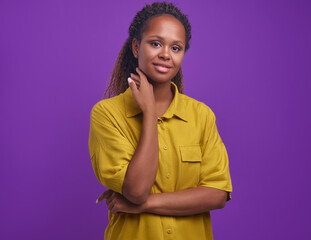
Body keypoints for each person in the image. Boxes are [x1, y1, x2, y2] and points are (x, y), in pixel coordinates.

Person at [88, 2, 232, 240]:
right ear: (136, 46)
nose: (166, 54)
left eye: (176, 48)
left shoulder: (202, 115)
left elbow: (217, 194)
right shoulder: (107, 114)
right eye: (156, 43)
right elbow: (136, 190)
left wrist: (143, 205)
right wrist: (149, 113)